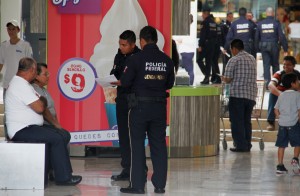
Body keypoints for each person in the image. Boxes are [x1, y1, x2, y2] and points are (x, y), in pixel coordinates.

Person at [5, 57, 82, 186]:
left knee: (62, 134)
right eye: (36, 73)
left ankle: (55, 172)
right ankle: (64, 178)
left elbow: (41, 104)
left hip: (31, 127)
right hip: (22, 129)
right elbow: (40, 107)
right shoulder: (20, 85)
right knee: (56, 138)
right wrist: (41, 101)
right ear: (32, 70)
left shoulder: (23, 84)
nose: (35, 76)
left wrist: (41, 101)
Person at [119, 26, 175, 194]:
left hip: (139, 108)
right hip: (159, 108)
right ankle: (159, 185)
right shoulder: (167, 60)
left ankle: (137, 185)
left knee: (137, 145)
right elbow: (169, 84)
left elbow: (126, 82)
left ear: (141, 41)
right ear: (155, 40)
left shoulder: (136, 59)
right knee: (158, 145)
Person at [109, 30, 142, 181]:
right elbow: (115, 72)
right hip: (121, 97)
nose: (121, 47)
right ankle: (126, 167)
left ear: (133, 44)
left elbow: (135, 78)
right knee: (123, 133)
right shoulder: (119, 55)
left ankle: (139, 167)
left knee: (133, 133)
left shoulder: (139, 57)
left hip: (133, 97)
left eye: (124, 45)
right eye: (120, 44)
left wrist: (124, 80)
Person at [223, 39, 257, 152]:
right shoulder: (252, 58)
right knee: (246, 121)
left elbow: (228, 79)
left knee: (237, 121)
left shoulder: (234, 60)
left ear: (234, 49)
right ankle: (247, 144)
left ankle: (241, 145)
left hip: (237, 95)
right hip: (251, 95)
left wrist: (223, 78)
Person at [255, 7, 288, 88]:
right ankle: (275, 84)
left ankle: (267, 85)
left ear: (266, 13)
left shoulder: (260, 23)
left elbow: (256, 37)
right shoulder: (276, 23)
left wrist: (257, 49)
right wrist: (285, 49)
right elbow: (282, 36)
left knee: (266, 65)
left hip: (264, 46)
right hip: (274, 46)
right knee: (275, 65)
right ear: (273, 13)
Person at [274, 73, 300, 174]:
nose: (298, 83)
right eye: (297, 81)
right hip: (293, 123)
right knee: (298, 143)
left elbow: (276, 110)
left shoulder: (281, 95)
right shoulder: (298, 95)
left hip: (282, 124)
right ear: (293, 84)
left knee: (281, 145)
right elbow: (299, 110)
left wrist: (280, 118)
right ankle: (295, 159)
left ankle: (280, 166)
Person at [266, 56, 300, 131]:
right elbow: (270, 85)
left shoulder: (297, 75)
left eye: (288, 65)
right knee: (272, 94)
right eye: (284, 64)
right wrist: (281, 95)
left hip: (293, 97)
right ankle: (271, 122)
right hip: (280, 96)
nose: (285, 67)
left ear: (293, 66)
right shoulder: (279, 73)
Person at [0, 20, 33, 91]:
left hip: (21, 82)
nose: (11, 31)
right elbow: (1, 63)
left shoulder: (25, 45)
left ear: (18, 30)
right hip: (7, 83)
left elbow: (30, 64)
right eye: (9, 29)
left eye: (13, 29)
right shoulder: (3, 45)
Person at [197, 8, 218, 84]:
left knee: (199, 60)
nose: (202, 15)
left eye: (202, 14)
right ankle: (206, 79)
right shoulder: (213, 23)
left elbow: (202, 35)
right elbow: (216, 35)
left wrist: (200, 45)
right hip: (212, 45)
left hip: (205, 44)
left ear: (205, 14)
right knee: (208, 61)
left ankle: (207, 74)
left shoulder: (204, 22)